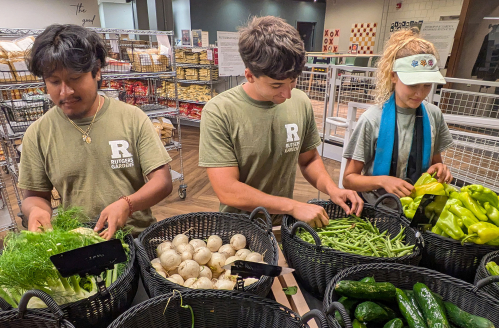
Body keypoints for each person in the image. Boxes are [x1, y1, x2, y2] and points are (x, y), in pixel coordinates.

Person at [198, 16, 363, 228]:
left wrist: (333, 189)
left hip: (283, 224)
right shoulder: (219, 111)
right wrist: (292, 206)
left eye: (293, 81)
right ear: (249, 76)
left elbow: (309, 159)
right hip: (238, 230)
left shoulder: (301, 102)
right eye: (276, 86)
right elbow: (228, 189)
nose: (287, 94)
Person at [19, 24, 173, 238]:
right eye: (54, 82)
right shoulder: (38, 133)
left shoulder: (132, 118)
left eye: (75, 79)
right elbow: (34, 196)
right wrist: (36, 210)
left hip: (136, 237)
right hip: (76, 242)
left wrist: (127, 204)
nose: (66, 92)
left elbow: (162, 182)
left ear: (97, 71)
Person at [342, 29, 454, 205]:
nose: (420, 93)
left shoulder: (434, 116)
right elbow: (349, 179)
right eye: (412, 84)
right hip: (377, 208)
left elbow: (435, 163)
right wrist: (382, 180)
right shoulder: (372, 120)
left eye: (427, 85)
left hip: (417, 209)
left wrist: (439, 169)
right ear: (393, 75)